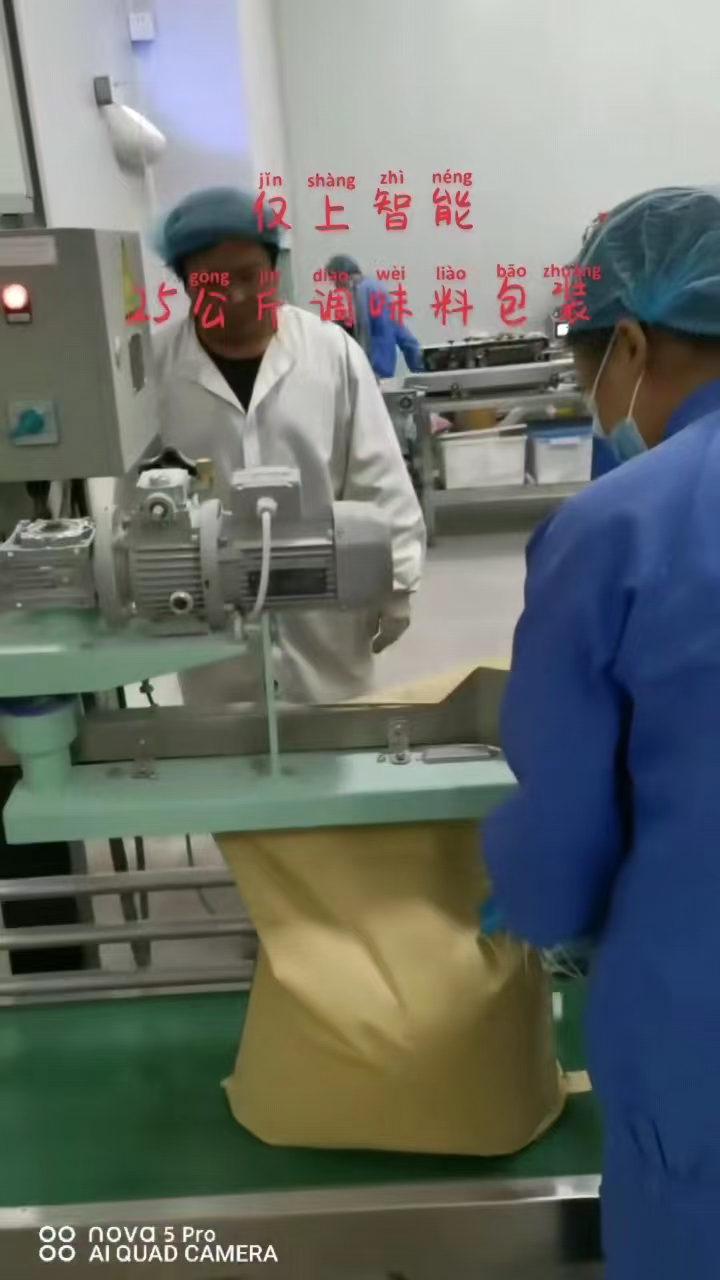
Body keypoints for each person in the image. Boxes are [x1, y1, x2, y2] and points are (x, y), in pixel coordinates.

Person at [481, 187, 720, 1280]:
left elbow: (560, 835)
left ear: (629, 343)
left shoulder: (619, 526)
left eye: (589, 374)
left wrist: (541, 913)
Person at [144, 187, 425, 704]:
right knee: (225, 745)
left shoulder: (330, 351)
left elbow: (378, 475)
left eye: (249, 276)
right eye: (211, 281)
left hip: (326, 618)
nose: (234, 295)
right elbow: (136, 498)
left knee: (337, 740)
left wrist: (398, 581)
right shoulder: (154, 367)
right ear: (184, 284)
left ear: (273, 270)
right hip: (209, 621)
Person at [325, 254, 424, 379]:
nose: (334, 284)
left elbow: (364, 331)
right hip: (385, 365)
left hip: (375, 368)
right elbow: (403, 335)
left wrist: (363, 368)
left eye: (333, 278)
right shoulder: (374, 286)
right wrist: (419, 370)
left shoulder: (361, 290)